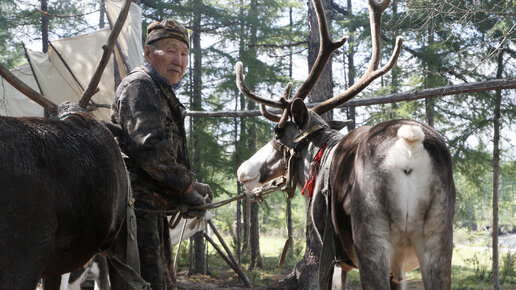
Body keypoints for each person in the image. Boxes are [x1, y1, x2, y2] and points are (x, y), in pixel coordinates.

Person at [111, 19, 212, 290]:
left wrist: (188, 184)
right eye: (170, 51)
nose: (179, 60)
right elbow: (150, 148)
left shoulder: (160, 89)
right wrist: (187, 186)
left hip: (152, 210)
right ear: (147, 53)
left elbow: (163, 153)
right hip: (135, 210)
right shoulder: (140, 87)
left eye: (184, 53)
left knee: (163, 284)